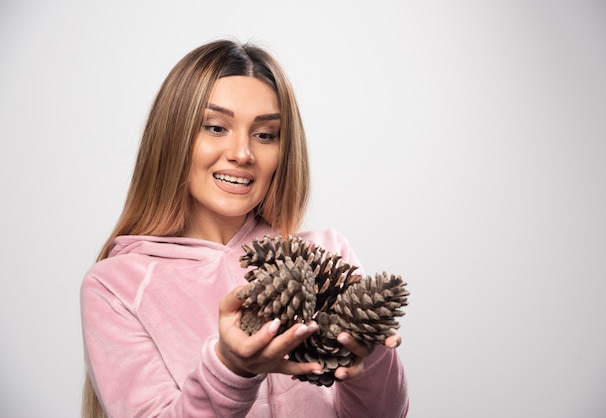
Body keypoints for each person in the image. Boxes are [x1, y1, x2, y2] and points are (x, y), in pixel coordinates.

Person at [80, 38, 409, 418]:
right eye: (216, 127)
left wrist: (372, 356)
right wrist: (230, 368)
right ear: (174, 137)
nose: (242, 153)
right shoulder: (115, 286)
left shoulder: (328, 255)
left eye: (265, 134)